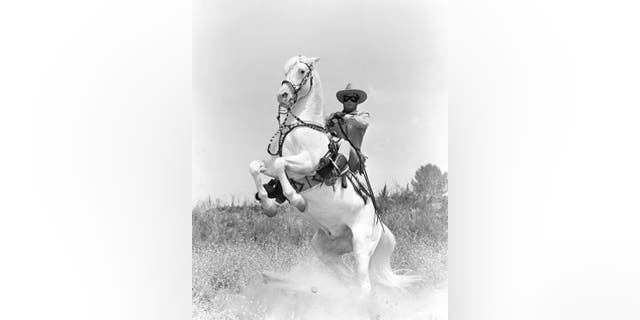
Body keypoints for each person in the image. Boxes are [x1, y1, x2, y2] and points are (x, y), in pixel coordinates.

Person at [326, 83, 371, 173]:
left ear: (357, 101)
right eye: (346, 98)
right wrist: (329, 120)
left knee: (345, 144)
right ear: (343, 101)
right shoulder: (334, 116)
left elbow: (363, 123)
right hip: (332, 152)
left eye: (353, 98)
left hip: (353, 158)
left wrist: (344, 117)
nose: (349, 101)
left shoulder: (363, 115)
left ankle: (333, 173)